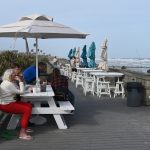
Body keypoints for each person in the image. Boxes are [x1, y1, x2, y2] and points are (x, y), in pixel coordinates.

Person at [0, 69, 33, 140]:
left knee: (29, 105)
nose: (16, 76)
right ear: (10, 75)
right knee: (27, 110)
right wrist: (20, 80)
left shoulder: (8, 82)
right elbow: (21, 91)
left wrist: (18, 82)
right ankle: (22, 133)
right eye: (14, 75)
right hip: (7, 105)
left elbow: (19, 90)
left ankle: (24, 126)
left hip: (9, 102)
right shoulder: (8, 84)